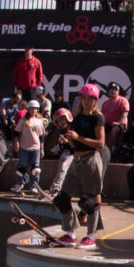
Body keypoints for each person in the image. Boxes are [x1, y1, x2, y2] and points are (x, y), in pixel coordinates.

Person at [53, 83, 105, 248]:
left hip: (91, 161)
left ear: (94, 100)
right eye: (83, 97)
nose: (85, 101)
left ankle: (90, 236)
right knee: (62, 198)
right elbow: (75, 146)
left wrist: (79, 137)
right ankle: (71, 233)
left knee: (88, 201)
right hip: (77, 160)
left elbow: (100, 143)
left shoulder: (97, 117)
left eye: (89, 98)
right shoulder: (77, 118)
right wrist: (70, 139)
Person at [12, 101, 45, 194]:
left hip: (36, 147)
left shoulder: (39, 121)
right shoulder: (23, 120)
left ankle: (34, 186)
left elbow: (42, 136)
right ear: (28, 109)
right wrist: (16, 143)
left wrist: (42, 149)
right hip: (24, 147)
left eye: (35, 109)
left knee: (36, 169)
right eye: (32, 108)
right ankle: (20, 183)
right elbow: (16, 132)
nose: (34, 110)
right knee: (21, 168)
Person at [101, 82, 129, 149]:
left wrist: (118, 123)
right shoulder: (105, 102)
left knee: (114, 130)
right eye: (110, 90)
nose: (112, 91)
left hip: (119, 124)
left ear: (118, 91)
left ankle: (114, 148)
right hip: (108, 124)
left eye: (114, 90)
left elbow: (125, 113)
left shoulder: (122, 100)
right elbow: (102, 115)